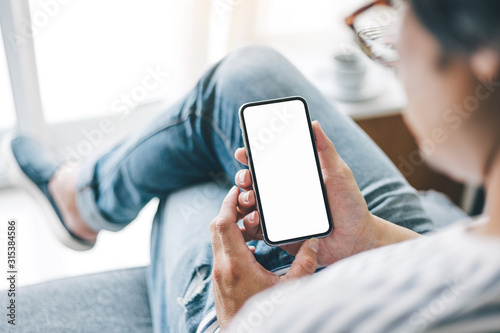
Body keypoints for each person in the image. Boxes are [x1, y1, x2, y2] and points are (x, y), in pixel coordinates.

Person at [3, 1, 499, 333]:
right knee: (245, 75)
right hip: (411, 250)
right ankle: (82, 199)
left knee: (193, 182)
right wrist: (369, 238)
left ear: (485, 60)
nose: (393, 50)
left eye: (396, 17)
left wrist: (250, 318)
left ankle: (81, 201)